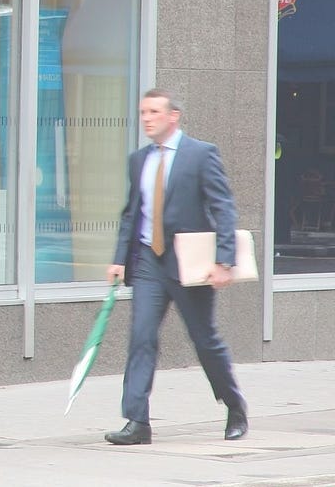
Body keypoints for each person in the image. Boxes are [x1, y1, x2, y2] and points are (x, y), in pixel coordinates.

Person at [104, 88, 247, 446]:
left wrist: (224, 260)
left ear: (173, 116)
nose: (147, 118)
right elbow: (130, 214)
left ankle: (234, 406)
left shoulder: (201, 155)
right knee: (141, 337)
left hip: (188, 263)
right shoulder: (139, 160)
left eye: (154, 111)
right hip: (148, 261)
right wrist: (120, 258)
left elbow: (223, 207)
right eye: (143, 112)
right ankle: (137, 422)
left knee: (204, 340)